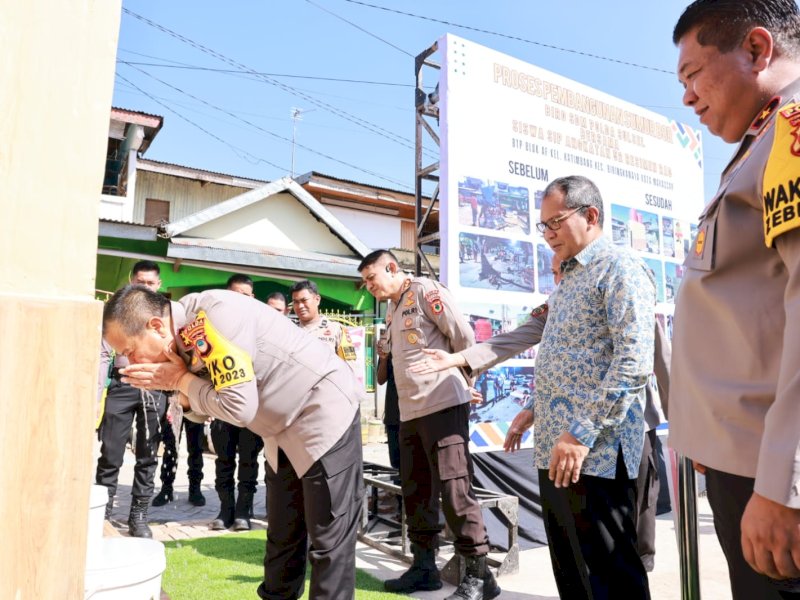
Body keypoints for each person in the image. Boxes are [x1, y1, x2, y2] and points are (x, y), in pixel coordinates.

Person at [413, 176, 656, 599]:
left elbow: (633, 363)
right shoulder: (567, 281)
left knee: (610, 576)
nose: (547, 235)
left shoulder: (619, 268)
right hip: (555, 448)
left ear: (590, 216)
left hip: (595, 450)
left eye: (555, 223)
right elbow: (559, 353)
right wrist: (533, 407)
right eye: (543, 226)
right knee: (572, 573)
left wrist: (581, 433)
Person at [103, 285, 364, 600]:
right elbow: (202, 407)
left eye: (129, 350)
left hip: (322, 412)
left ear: (156, 326)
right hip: (278, 428)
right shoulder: (182, 333)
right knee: (283, 534)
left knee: (328, 538)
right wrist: (181, 387)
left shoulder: (215, 317)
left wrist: (181, 380)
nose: (128, 360)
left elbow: (238, 408)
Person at [670, 2, 800, 597]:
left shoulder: (791, 130)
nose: (687, 96)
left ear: (755, 49)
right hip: (746, 464)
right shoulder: (759, 145)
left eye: (693, 74)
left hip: (773, 485)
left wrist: (785, 482)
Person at [464, 253, 670, 572]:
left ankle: (640, 567)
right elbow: (557, 367)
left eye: (561, 271)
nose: (558, 279)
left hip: (632, 423)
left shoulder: (616, 289)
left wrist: (680, 421)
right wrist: (531, 408)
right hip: (578, 430)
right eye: (554, 273)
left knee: (637, 511)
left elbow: (656, 358)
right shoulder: (559, 305)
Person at [358, 249, 501, 600]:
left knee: (455, 490)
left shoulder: (426, 291)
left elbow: (464, 339)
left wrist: (466, 382)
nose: (369, 286)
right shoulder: (392, 308)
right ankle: (425, 568)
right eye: (365, 282)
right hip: (410, 412)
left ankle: (479, 574)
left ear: (392, 268)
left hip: (443, 405)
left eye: (372, 278)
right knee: (416, 490)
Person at [95, 260, 168, 538]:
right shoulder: (117, 311)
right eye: (140, 282)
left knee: (148, 455)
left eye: (150, 283)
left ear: (159, 285)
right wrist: (96, 394)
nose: (145, 286)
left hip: (155, 384)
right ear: (131, 281)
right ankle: (102, 514)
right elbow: (104, 353)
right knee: (110, 453)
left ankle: (139, 516)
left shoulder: (165, 314)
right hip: (122, 383)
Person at [208, 274, 265, 531]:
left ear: (252, 298)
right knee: (224, 460)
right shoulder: (214, 325)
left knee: (249, 461)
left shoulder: (260, 326)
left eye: (246, 295)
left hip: (251, 408)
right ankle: (225, 510)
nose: (240, 300)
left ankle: (243, 512)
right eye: (235, 294)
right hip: (222, 404)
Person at [290, 279, 356, 361]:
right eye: (296, 302)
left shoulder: (336, 330)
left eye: (304, 300)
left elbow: (349, 364)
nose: (300, 306)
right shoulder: (290, 330)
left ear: (317, 300)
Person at [151, 417, 207, 508]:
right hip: (175, 409)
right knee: (170, 448)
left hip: (195, 410)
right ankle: (166, 489)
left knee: (196, 448)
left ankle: (195, 489)